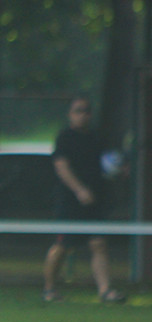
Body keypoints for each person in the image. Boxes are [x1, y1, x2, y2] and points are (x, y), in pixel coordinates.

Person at [42, 95, 126, 303]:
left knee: (98, 243)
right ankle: (49, 289)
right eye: (78, 110)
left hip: (95, 201)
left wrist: (122, 169)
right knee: (63, 246)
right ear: (70, 114)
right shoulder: (65, 137)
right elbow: (61, 166)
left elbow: (109, 163)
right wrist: (79, 190)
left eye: (87, 110)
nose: (83, 115)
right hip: (70, 201)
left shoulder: (97, 137)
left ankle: (105, 291)